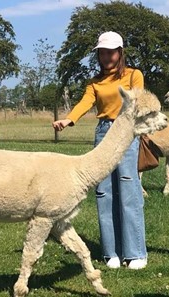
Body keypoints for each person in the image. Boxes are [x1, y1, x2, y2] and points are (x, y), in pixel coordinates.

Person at [52, 31, 147, 270]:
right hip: (104, 132)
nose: (106, 57)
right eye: (102, 53)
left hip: (126, 132)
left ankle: (135, 253)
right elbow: (85, 102)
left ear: (120, 52)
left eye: (111, 52)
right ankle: (110, 252)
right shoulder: (94, 83)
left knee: (128, 186)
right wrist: (69, 119)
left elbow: (139, 101)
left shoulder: (134, 75)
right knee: (104, 192)